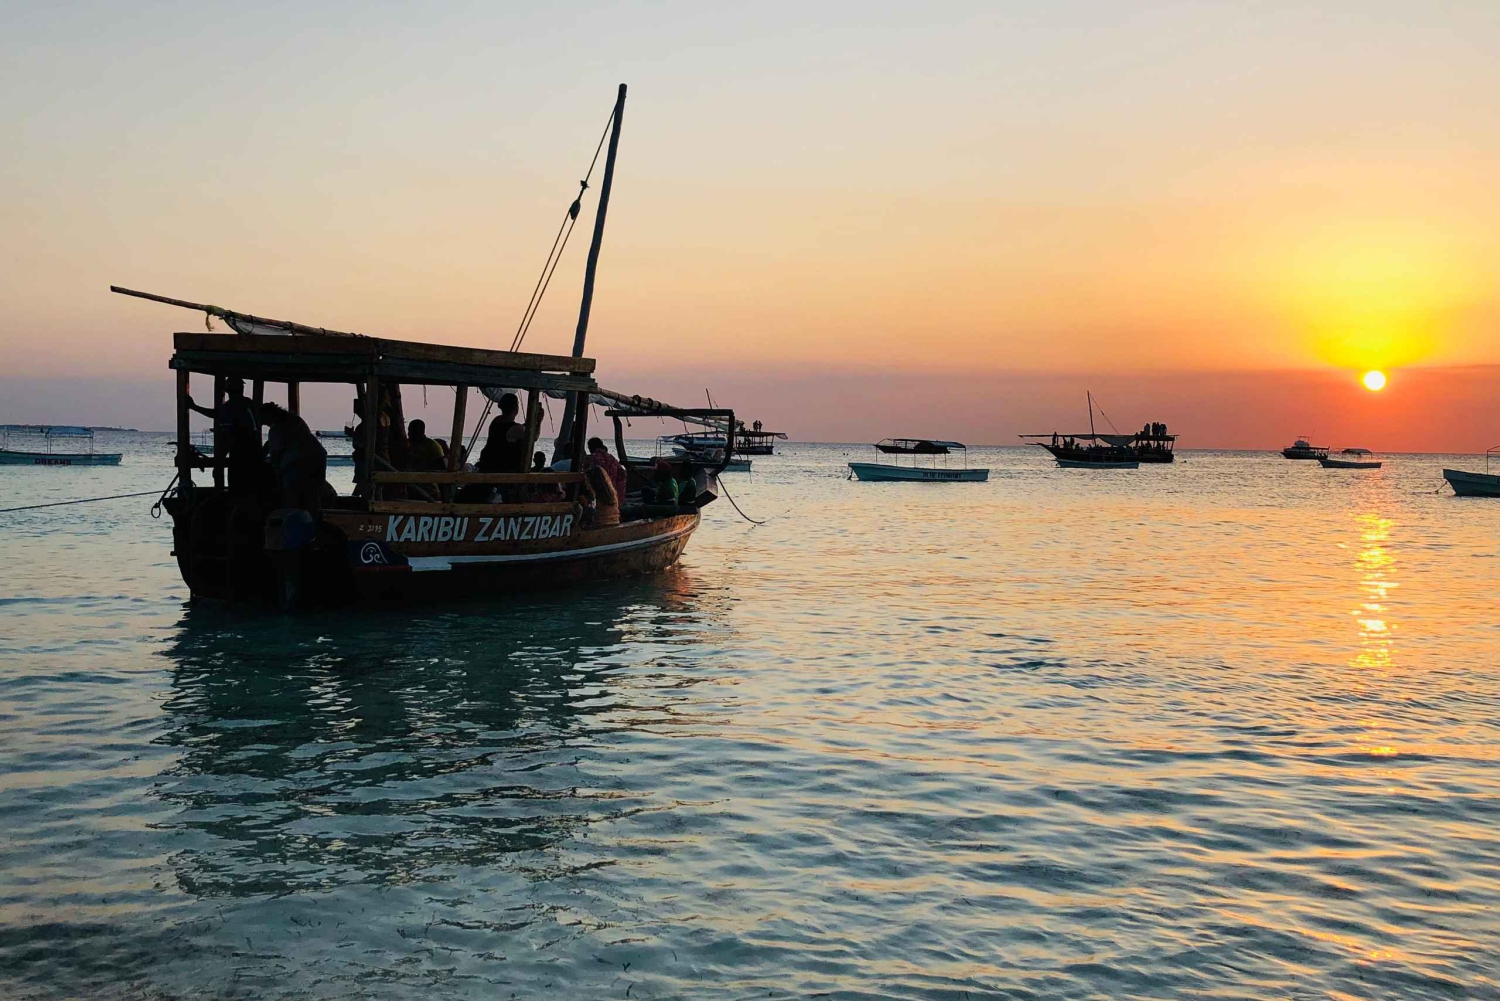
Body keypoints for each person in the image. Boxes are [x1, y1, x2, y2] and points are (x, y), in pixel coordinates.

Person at [186, 377, 264, 496]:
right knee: (252, 492)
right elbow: (217, 414)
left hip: (239, 456)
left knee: (237, 492)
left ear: (227, 390)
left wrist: (219, 463)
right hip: (255, 454)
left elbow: (228, 435)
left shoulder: (231, 406)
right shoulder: (248, 403)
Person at [260, 402, 328, 513]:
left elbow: (276, 455)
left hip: (297, 463)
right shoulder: (295, 420)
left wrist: (275, 471)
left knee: (292, 498)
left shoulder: (276, 428)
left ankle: (294, 523)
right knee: (313, 496)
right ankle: (315, 523)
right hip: (317, 457)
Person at [477, 393, 529, 474]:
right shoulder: (516, 428)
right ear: (515, 408)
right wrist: (539, 421)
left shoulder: (496, 421)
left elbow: (513, 429)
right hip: (505, 472)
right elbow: (533, 437)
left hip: (489, 466)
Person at [582, 437, 627, 501]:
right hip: (613, 492)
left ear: (590, 448)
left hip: (597, 493)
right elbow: (622, 473)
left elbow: (585, 475)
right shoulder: (611, 458)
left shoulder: (590, 459)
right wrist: (619, 492)